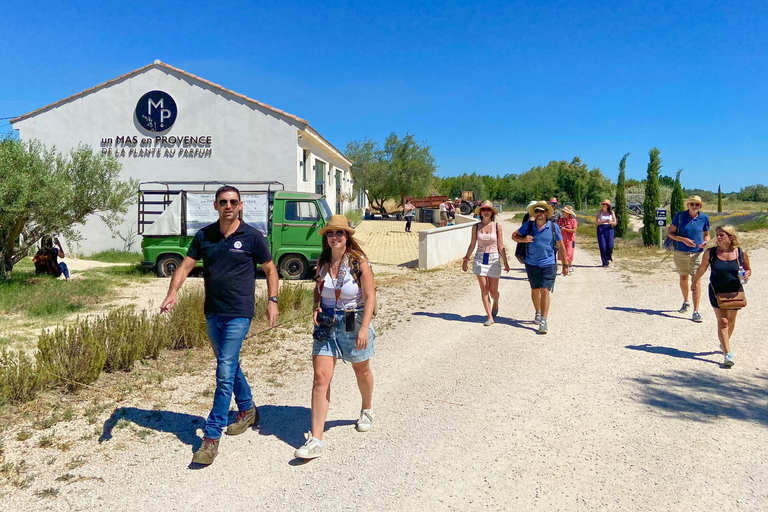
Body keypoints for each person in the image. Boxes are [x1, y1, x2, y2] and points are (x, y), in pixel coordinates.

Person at [159, 185, 279, 465]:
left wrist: (272, 300)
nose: (228, 206)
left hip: (239, 313)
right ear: (215, 205)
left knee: (224, 371)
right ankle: (248, 409)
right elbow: (185, 266)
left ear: (240, 205)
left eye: (233, 202)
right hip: (213, 312)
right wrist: (172, 292)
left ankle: (211, 437)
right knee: (229, 363)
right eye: (223, 202)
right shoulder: (205, 236)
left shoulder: (252, 236)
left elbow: (271, 269)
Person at [295, 214, 376, 460]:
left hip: (353, 320)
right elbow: (318, 288)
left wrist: (364, 328)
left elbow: (370, 296)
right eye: (331, 233)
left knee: (361, 370)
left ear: (347, 236)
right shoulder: (323, 261)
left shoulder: (358, 261)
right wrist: (316, 306)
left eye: (339, 233)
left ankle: (367, 409)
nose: (334, 237)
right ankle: (316, 439)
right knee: (321, 377)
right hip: (327, 323)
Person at [691, 226, 751, 367]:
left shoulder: (741, 253)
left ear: (730, 237)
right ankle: (727, 353)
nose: (718, 237)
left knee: (731, 321)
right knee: (723, 322)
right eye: (717, 235)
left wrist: (748, 273)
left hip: (735, 292)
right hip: (716, 291)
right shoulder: (710, 253)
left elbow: (748, 268)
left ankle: (724, 343)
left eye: (721, 235)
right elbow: (701, 269)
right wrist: (694, 282)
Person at [511, 200, 568, 334]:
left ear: (547, 213)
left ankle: (543, 320)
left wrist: (565, 265)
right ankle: (537, 312)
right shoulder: (529, 226)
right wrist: (524, 239)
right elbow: (514, 236)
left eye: (542, 211)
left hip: (549, 263)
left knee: (545, 290)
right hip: (531, 263)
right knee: (535, 289)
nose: (539, 213)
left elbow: (561, 246)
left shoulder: (554, 227)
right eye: (537, 211)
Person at [461, 201, 510, 326]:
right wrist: (466, 259)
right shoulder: (476, 227)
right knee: (484, 289)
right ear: (480, 212)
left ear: (492, 212)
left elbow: (500, 245)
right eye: (484, 210)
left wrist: (505, 261)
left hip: (494, 259)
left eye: (488, 210)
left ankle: (496, 301)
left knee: (493, 290)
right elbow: (472, 244)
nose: (486, 212)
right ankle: (489, 316)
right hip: (480, 258)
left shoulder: (497, 226)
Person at [668, 195, 710, 322]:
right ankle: (686, 301)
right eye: (692, 204)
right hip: (681, 252)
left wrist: (705, 242)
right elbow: (671, 233)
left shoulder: (704, 218)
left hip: (698, 253)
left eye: (697, 204)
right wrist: (683, 240)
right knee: (683, 277)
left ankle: (696, 311)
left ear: (700, 206)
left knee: (696, 280)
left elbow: (707, 235)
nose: (694, 206)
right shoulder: (679, 216)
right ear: (688, 205)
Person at [595, 200, 617, 267]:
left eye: (605, 204)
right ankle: (604, 262)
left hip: (609, 229)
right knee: (603, 246)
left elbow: (615, 223)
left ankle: (608, 257)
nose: (603, 205)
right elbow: (597, 222)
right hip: (601, 229)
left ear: (608, 206)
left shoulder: (611, 213)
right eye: (602, 204)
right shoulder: (599, 212)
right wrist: (605, 221)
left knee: (610, 245)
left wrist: (610, 222)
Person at [558, 205, 578, 274]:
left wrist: (565, 229)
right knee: (562, 254)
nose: (562, 212)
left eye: (564, 211)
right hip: (562, 239)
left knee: (569, 254)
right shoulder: (561, 220)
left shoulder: (573, 220)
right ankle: (564, 267)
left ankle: (570, 266)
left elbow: (574, 230)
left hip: (570, 240)